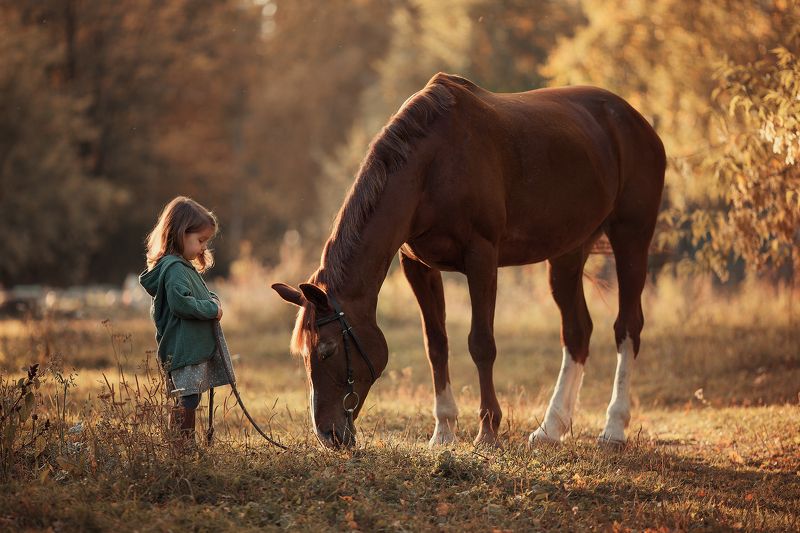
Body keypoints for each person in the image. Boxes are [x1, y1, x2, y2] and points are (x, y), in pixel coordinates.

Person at [139, 196, 231, 450]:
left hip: (186, 349)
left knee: (188, 397)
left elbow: (192, 296)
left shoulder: (181, 267)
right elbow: (182, 303)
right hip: (182, 349)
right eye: (200, 240)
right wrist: (211, 309)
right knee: (186, 398)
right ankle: (181, 446)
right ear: (181, 233)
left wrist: (209, 299)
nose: (203, 247)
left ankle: (182, 444)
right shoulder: (174, 268)